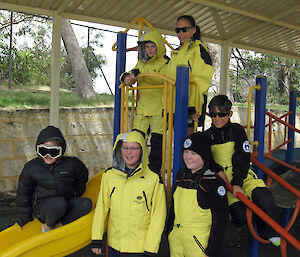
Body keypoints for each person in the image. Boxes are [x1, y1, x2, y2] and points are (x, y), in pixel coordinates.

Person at [206, 95, 281, 246]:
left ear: (230, 114)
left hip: (242, 176)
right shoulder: (207, 136)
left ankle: (269, 232)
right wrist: (218, 171)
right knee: (239, 214)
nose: (217, 118)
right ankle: (240, 230)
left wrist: (237, 182)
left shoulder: (237, 131)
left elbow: (242, 156)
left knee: (264, 196)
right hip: (223, 182)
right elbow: (206, 159)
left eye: (221, 114)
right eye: (213, 114)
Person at [91, 131, 167, 256]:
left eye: (134, 148)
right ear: (119, 150)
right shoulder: (109, 176)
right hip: (115, 245)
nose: (129, 152)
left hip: (141, 248)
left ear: (142, 149)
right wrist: (96, 238)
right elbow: (101, 208)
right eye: (125, 148)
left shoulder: (153, 178)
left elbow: (158, 215)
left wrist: (151, 247)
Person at [16, 125, 92, 232]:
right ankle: (48, 227)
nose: (48, 156)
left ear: (61, 150)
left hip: (66, 203)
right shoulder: (32, 167)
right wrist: (23, 218)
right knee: (59, 203)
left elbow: (82, 178)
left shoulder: (72, 164)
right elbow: (23, 193)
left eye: (53, 152)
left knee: (86, 203)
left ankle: (59, 225)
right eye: (43, 151)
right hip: (45, 208)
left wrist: (75, 193)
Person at [167, 132, 229, 257]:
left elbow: (220, 220)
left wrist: (211, 251)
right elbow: (174, 208)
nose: (188, 157)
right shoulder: (181, 175)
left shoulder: (214, 182)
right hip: (177, 243)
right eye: (185, 152)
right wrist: (169, 233)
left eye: (193, 153)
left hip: (199, 246)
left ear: (204, 155)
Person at [120, 30, 170, 174]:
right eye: (147, 47)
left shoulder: (166, 62)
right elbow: (130, 75)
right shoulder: (141, 63)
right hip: (142, 109)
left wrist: (141, 75)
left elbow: (164, 79)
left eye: (153, 46)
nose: (149, 50)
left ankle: (154, 173)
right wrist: (126, 78)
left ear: (159, 47)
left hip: (159, 110)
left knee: (156, 144)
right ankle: (136, 170)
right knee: (136, 140)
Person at [164, 15, 214, 135]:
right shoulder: (177, 52)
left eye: (184, 29)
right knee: (177, 144)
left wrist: (193, 107)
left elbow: (201, 80)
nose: (180, 33)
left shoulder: (199, 49)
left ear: (193, 30)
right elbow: (169, 77)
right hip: (175, 104)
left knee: (187, 145)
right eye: (178, 30)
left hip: (190, 106)